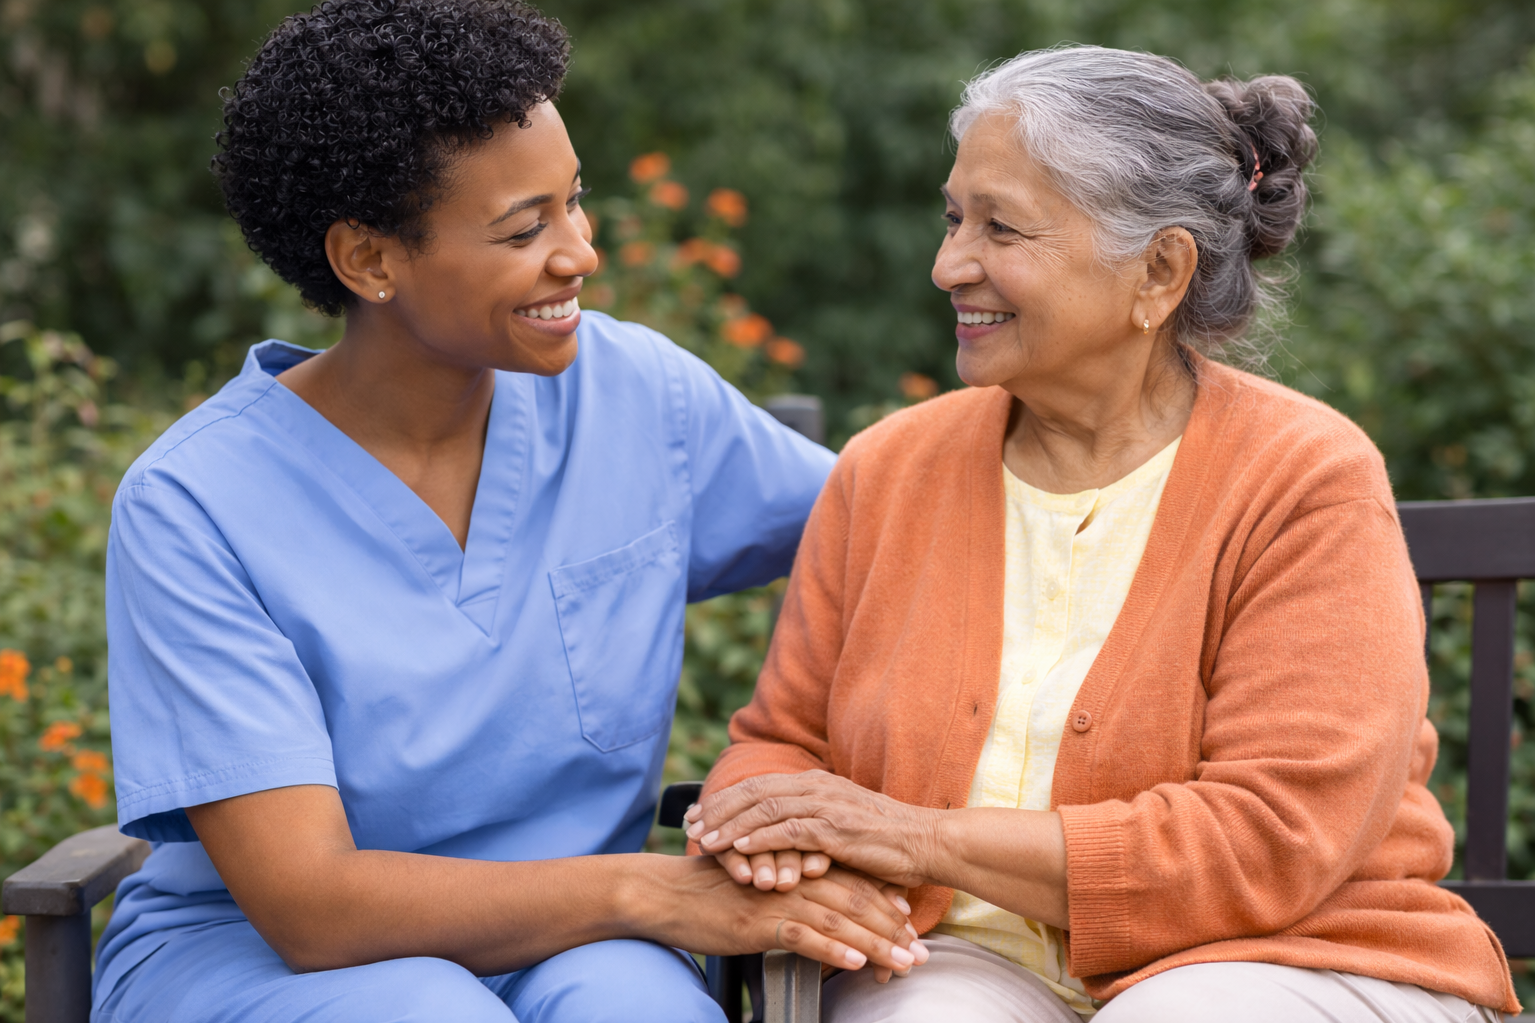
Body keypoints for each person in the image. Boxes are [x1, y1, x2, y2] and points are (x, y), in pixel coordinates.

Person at [93, 3, 925, 1022]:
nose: (577, 252)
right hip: (267, 956)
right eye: (524, 228)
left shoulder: (639, 398)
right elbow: (310, 908)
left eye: (576, 204)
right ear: (369, 261)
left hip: (572, 945)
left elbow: (895, 524)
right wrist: (648, 891)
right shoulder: (195, 506)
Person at [685, 45, 1519, 1022]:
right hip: (959, 959)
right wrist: (768, 823)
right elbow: (782, 742)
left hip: (1285, 955)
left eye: (1000, 228)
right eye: (954, 217)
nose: (947, 264)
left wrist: (914, 838)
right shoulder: (887, 468)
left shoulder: (1306, 480)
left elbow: (1267, 843)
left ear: (1158, 271)